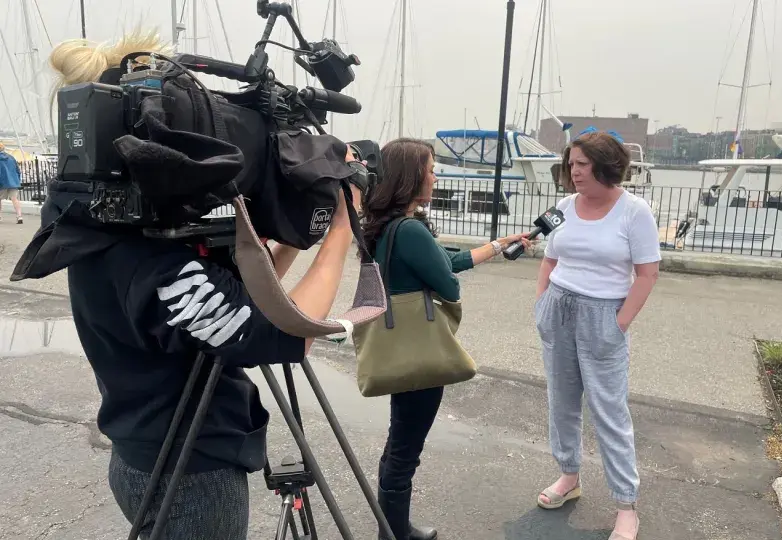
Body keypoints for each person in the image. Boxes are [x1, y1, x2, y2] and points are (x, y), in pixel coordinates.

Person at [22, 30, 365, 539]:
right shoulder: (149, 262)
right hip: (187, 473)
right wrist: (342, 229)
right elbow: (288, 334)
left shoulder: (101, 225)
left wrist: (292, 231)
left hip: (150, 453)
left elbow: (249, 302)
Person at [360, 137, 535, 540]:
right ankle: (395, 534)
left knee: (398, 444)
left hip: (398, 347)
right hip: (421, 354)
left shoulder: (388, 226)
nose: (436, 177)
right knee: (405, 452)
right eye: (431, 168)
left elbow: (447, 261)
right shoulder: (411, 230)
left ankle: (394, 527)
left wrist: (496, 245)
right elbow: (448, 284)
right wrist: (446, 272)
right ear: (411, 177)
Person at [534, 131, 661, 540]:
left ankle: (626, 505)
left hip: (604, 314)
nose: (573, 172)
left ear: (605, 167)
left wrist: (618, 323)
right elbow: (548, 260)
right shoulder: (564, 207)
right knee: (562, 401)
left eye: (582, 165)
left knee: (610, 412)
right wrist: (542, 306)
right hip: (559, 308)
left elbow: (647, 274)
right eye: (571, 164)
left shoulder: (634, 211)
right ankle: (569, 476)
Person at [0, 142, 23, 224]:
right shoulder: (11, 157)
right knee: (14, 199)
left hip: (2, 182)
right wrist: (17, 180)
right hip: (13, 182)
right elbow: (17, 170)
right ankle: (19, 216)